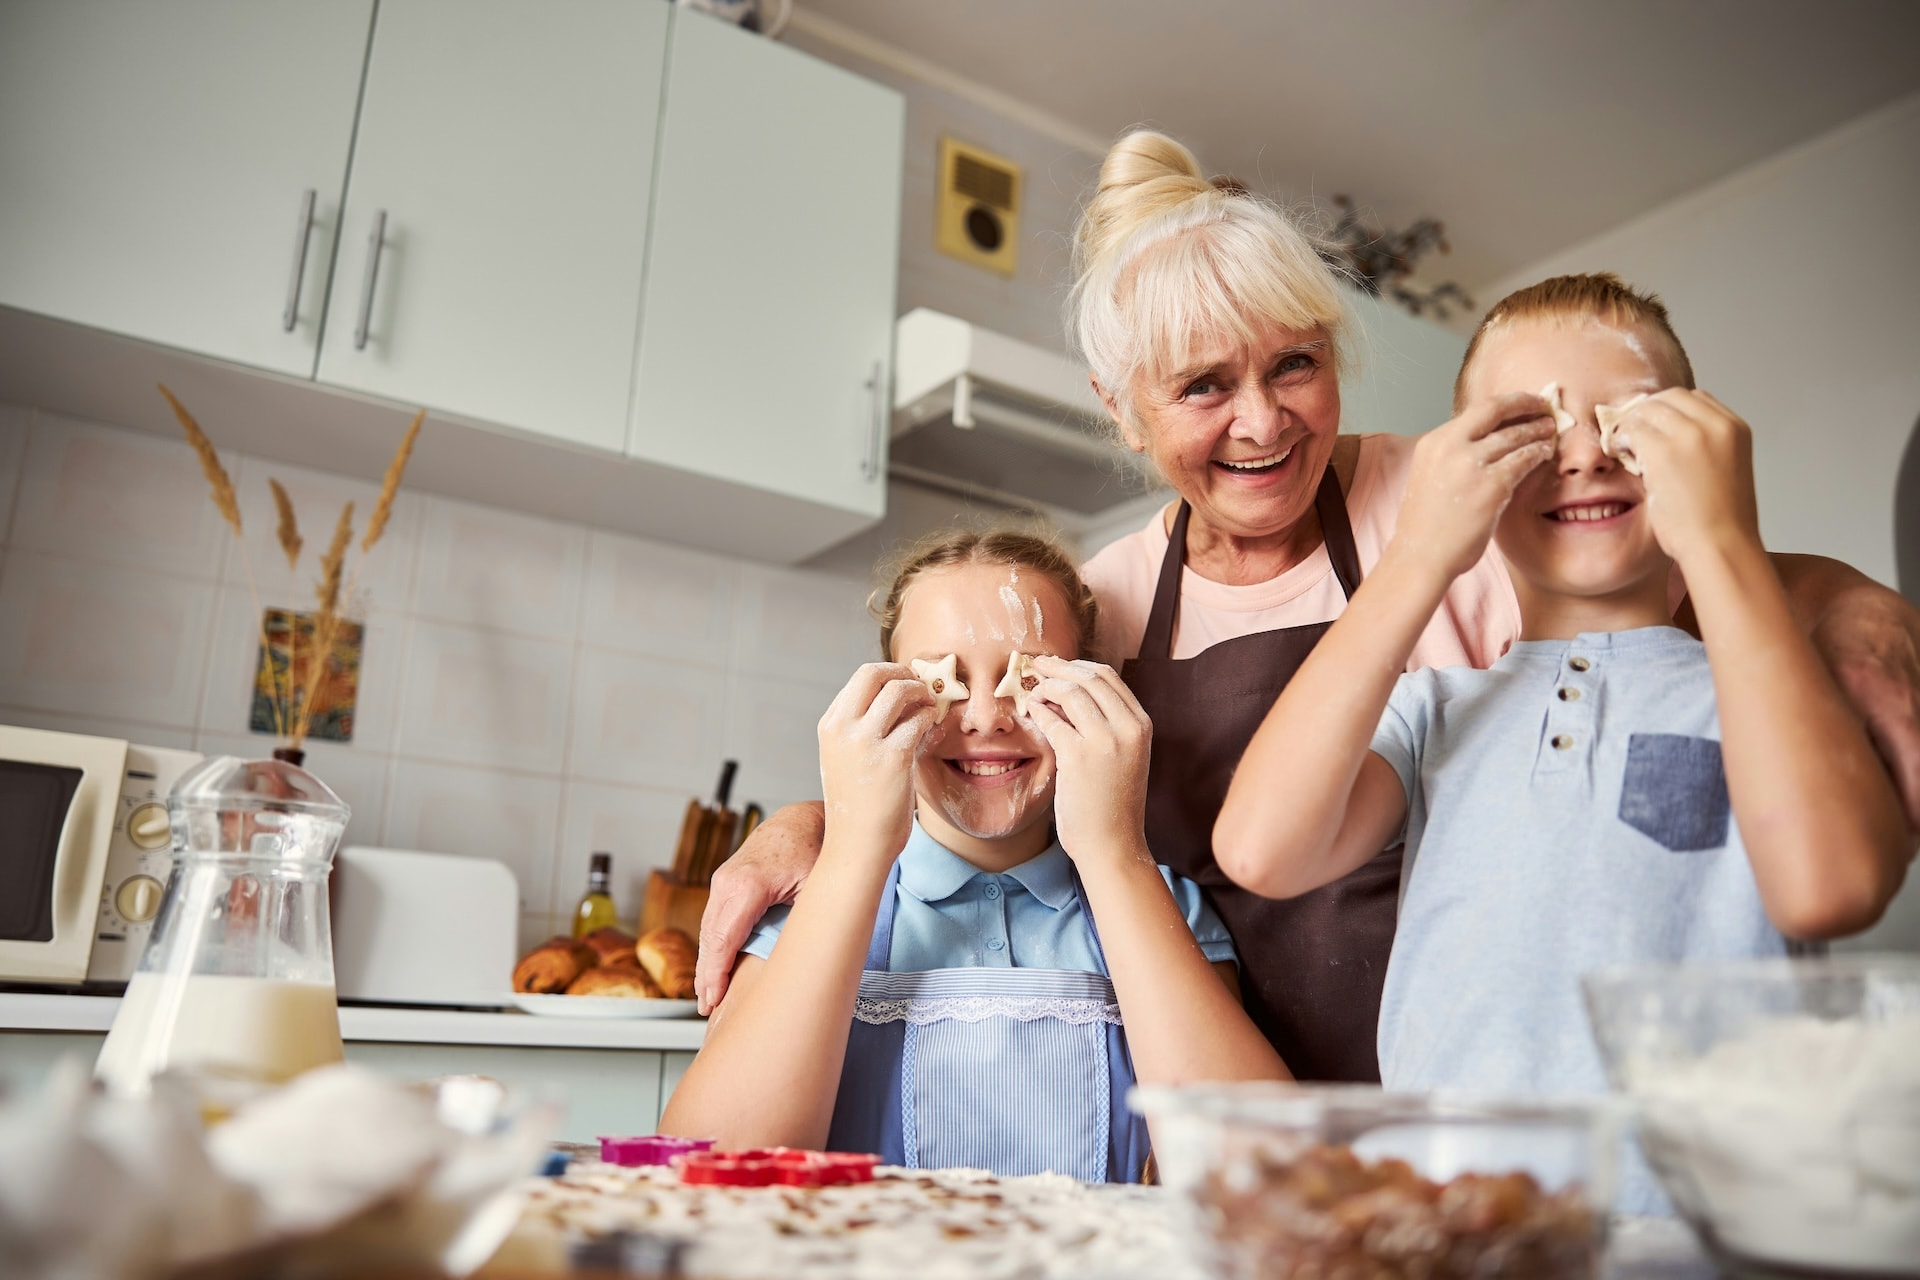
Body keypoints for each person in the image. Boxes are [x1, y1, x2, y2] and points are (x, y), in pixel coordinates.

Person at [695, 132, 1920, 1083]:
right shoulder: (1103, 600)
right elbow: (985, 757)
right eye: (1203, 385)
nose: (1264, 421)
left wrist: (1853, 600)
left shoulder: (1447, 498)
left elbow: (1648, 566)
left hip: (1454, 1081)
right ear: (1123, 409)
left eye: (1295, 363)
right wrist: (814, 819)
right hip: (1213, 1096)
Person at [1213, 275, 1915, 1211]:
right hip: (1460, 1234)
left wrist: (1720, 539)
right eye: (1533, 432)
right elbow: (1262, 848)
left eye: (1630, 425)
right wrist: (1420, 551)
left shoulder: (1766, 692)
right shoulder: (1436, 709)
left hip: (1699, 1239)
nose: (1584, 456)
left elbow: (1832, 890)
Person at [660, 531, 1285, 1180]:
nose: (985, 717)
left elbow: (1266, 1177)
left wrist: (1112, 851)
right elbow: (709, 1178)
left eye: (1030, 677)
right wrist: (854, 845)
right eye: (945, 681)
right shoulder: (808, 900)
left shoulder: (1157, 900)